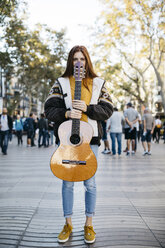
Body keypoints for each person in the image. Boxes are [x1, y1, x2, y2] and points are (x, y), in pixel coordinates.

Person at [44, 45, 113, 244]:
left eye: (82, 59)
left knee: (90, 183)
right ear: (70, 61)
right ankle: (68, 223)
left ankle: (89, 224)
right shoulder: (61, 83)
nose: (79, 62)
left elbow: (108, 109)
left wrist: (89, 109)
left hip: (90, 141)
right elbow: (48, 109)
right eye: (75, 59)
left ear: (87, 61)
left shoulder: (99, 83)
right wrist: (66, 113)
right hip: (67, 140)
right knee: (67, 182)